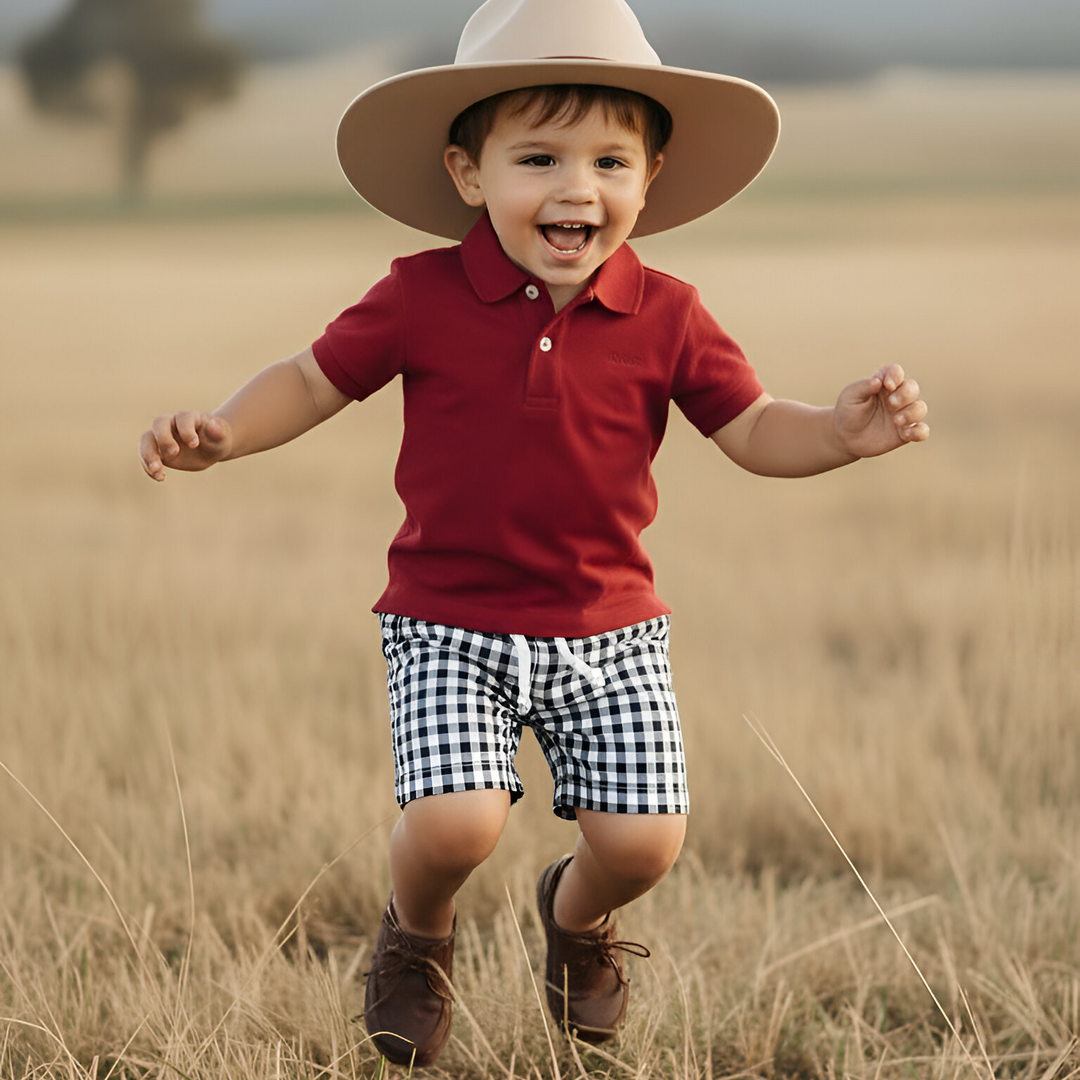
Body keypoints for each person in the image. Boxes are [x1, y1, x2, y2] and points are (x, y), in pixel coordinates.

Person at [139, 0, 929, 1067]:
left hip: (610, 633)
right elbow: (312, 381)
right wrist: (226, 431)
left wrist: (839, 432)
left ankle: (576, 917)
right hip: (447, 622)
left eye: (610, 161)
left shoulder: (671, 313)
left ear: (650, 178)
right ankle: (417, 935)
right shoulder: (421, 294)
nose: (576, 189)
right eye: (539, 157)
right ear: (469, 173)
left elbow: (750, 429)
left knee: (644, 842)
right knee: (458, 824)